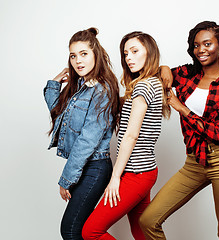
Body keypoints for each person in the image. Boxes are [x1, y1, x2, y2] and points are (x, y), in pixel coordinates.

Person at [139, 21, 219, 240]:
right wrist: (165, 68)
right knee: (148, 220)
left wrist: (181, 108)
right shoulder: (188, 74)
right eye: (196, 45)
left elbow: (218, 133)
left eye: (208, 44)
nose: (201, 50)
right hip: (194, 161)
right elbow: (158, 74)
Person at [81, 31, 170, 240]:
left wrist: (115, 178)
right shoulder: (153, 83)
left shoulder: (143, 86)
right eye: (125, 53)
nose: (128, 57)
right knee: (141, 232)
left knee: (90, 232)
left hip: (135, 172)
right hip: (146, 170)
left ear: (149, 52)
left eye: (134, 51)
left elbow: (131, 135)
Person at [43, 27, 119, 240]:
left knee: (71, 230)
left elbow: (87, 140)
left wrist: (66, 179)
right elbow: (59, 115)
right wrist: (54, 83)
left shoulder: (102, 90)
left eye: (84, 54)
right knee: (82, 231)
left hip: (95, 168)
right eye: (73, 55)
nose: (78, 61)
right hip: (84, 166)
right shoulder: (79, 86)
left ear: (96, 53)